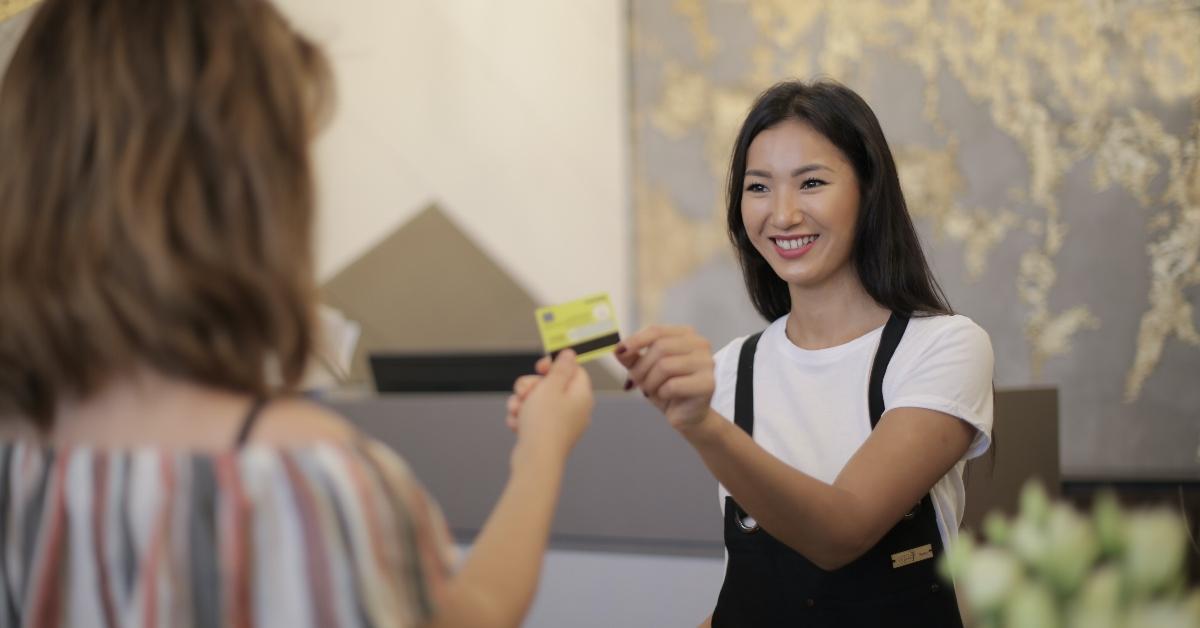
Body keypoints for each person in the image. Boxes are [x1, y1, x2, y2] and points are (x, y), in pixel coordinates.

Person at [0, 1, 591, 627]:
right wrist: (542, 450)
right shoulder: (309, 481)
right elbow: (471, 615)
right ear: (250, 188)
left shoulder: (20, 454)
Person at [517, 79, 993, 627]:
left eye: (811, 182)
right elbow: (748, 598)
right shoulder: (728, 370)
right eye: (759, 187)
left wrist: (702, 426)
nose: (783, 214)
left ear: (869, 191)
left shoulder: (945, 347)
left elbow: (842, 533)